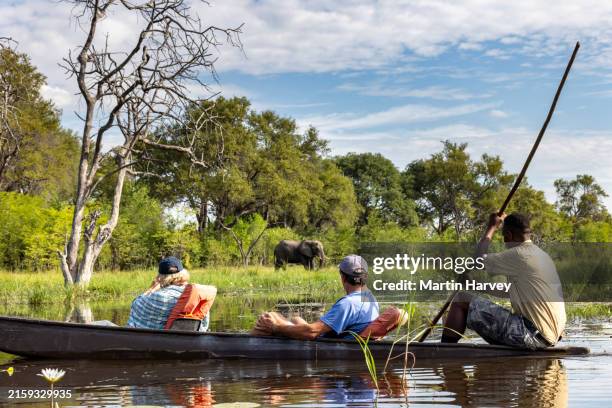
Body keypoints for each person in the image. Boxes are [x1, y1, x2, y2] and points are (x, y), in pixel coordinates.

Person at [441, 212, 566, 349]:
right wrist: (475, 285)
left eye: (504, 237)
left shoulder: (519, 254)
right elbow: (509, 291)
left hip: (531, 335)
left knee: (460, 299)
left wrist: (492, 227)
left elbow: (478, 260)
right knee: (464, 298)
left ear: (509, 235)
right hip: (549, 337)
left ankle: (443, 351)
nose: (504, 241)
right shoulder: (542, 256)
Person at [253, 254, 379, 340]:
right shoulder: (370, 299)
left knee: (269, 317)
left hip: (319, 343)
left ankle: (246, 347)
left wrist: (276, 327)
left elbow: (311, 332)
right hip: (331, 338)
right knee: (297, 319)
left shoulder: (348, 304)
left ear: (343, 277)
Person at [127, 257, 216, 331]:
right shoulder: (198, 296)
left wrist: (151, 289)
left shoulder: (158, 297)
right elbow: (204, 325)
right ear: (183, 274)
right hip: (191, 342)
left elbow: (135, 305)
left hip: (159, 343)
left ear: (160, 277)